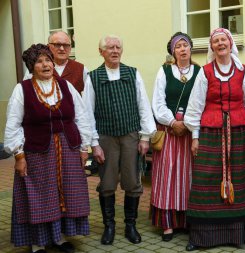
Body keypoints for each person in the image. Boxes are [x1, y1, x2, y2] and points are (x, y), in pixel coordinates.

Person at [4, 44, 92, 253]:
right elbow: (13, 124)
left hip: (68, 148)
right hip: (37, 152)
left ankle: (60, 238)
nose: (45, 65)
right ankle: (38, 243)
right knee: (40, 196)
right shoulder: (22, 89)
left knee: (66, 194)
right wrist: (19, 155)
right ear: (32, 66)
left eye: (48, 60)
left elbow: (81, 117)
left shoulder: (66, 86)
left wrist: (84, 147)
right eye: (39, 61)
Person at [184, 28, 245, 251]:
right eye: (216, 41)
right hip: (211, 133)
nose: (220, 44)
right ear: (212, 46)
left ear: (230, 43)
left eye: (223, 40)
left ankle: (242, 233)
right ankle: (203, 237)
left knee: (241, 180)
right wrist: (195, 136)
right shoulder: (205, 72)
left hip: (240, 133)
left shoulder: (242, 71)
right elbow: (195, 106)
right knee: (206, 180)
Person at [82, 35, 156, 245]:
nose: (114, 51)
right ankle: (109, 226)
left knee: (133, 181)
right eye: (110, 48)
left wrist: (144, 137)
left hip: (131, 135)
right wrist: (94, 144)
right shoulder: (93, 77)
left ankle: (130, 225)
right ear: (101, 51)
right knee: (106, 183)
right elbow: (88, 112)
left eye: (118, 47)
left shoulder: (132, 73)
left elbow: (143, 104)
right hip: (105, 137)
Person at [150, 32, 200, 241]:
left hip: (190, 130)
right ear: (173, 51)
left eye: (185, 45)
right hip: (169, 130)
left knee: (189, 175)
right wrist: (172, 122)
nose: (182, 49)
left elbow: (201, 100)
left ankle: (188, 220)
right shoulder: (164, 71)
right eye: (178, 46)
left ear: (190, 49)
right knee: (168, 176)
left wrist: (187, 123)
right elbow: (158, 101)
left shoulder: (200, 72)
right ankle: (168, 223)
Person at [24, 31, 89, 95]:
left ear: (70, 48)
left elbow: (87, 98)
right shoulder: (35, 69)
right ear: (48, 46)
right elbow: (26, 93)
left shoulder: (81, 69)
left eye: (66, 45)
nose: (62, 48)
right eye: (57, 45)